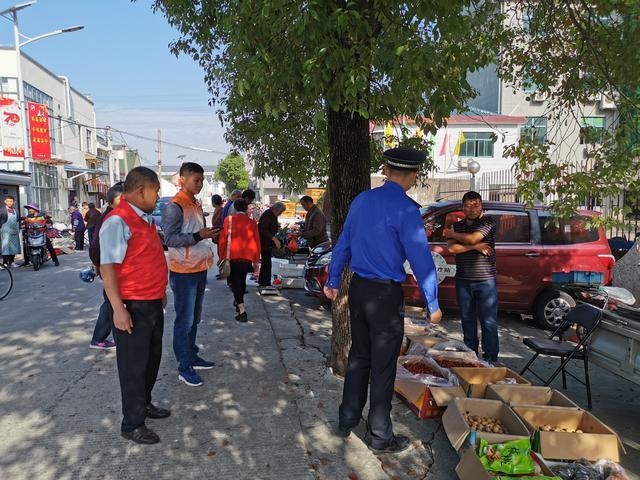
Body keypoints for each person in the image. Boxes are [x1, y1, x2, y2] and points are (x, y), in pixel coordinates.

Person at [324, 147, 442, 454]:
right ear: (414, 176)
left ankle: (347, 420)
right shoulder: (406, 211)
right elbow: (421, 260)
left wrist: (334, 281)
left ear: (386, 171)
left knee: (359, 357)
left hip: (358, 289)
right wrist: (433, 304)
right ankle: (379, 436)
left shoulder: (362, 200)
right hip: (385, 295)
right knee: (383, 365)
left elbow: (342, 245)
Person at [99, 167, 170, 445]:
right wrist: (118, 309)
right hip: (132, 305)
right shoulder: (119, 221)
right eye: (156, 190)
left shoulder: (147, 220)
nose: (158, 196)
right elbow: (108, 268)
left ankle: (145, 404)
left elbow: (147, 259)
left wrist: (160, 291)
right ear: (142, 190)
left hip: (152, 301)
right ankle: (132, 423)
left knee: (151, 360)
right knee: (133, 367)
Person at [162, 162, 218, 388]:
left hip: (199, 267)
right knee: (184, 320)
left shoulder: (194, 203)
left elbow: (196, 234)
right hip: (183, 271)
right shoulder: (174, 206)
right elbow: (170, 239)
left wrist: (208, 236)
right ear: (182, 180)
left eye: (202, 180)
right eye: (197, 180)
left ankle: (192, 355)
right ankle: (184, 367)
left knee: (194, 318)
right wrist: (198, 236)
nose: (200, 184)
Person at [444, 191, 499, 363]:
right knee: (467, 320)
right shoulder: (459, 225)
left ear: (481, 205)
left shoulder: (488, 222)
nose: (472, 209)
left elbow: (474, 237)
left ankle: (490, 359)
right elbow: (452, 249)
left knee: (488, 322)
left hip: (485, 281)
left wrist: (452, 234)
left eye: (475, 205)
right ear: (463, 207)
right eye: (467, 206)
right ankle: (470, 356)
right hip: (463, 280)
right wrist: (475, 247)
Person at [88, 183, 124, 351]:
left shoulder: (117, 215)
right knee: (111, 303)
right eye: (122, 199)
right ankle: (99, 337)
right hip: (108, 267)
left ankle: (100, 336)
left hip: (113, 267)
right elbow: (95, 245)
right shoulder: (110, 218)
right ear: (113, 200)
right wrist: (96, 264)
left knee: (110, 302)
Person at [218, 198, 261, 323]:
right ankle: (238, 302)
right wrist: (256, 260)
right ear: (246, 208)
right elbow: (257, 242)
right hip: (247, 257)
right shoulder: (252, 222)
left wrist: (221, 256)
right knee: (241, 281)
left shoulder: (228, 220)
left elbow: (223, 240)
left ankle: (242, 311)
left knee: (235, 283)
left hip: (232, 256)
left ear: (235, 208)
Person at [257, 202, 286, 288]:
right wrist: (274, 239)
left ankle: (263, 281)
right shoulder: (267, 215)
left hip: (268, 242)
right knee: (266, 263)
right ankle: (265, 282)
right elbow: (264, 230)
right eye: (280, 212)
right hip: (264, 242)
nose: (280, 214)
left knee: (266, 262)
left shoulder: (273, 215)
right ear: (275, 209)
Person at [0, 195, 21, 267]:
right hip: (5, 231)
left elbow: (17, 219)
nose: (9, 203)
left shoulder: (16, 210)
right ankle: (5, 263)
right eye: (8, 201)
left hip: (14, 230)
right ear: (5, 201)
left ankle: (12, 262)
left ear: (14, 202)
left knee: (14, 246)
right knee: (5, 247)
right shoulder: (1, 210)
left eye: (11, 201)